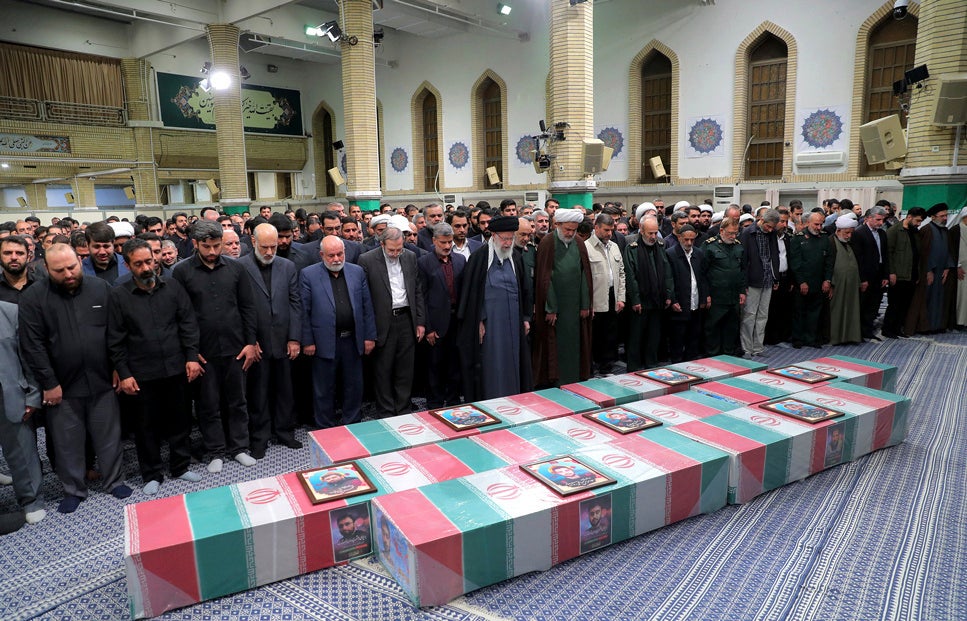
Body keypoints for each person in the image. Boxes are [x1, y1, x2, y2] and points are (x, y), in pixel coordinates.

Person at [19, 244, 132, 513]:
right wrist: (49, 383)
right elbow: (32, 345)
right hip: (61, 386)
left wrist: (118, 367)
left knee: (109, 435)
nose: (68, 273)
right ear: (47, 269)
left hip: (102, 379)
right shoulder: (34, 297)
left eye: (72, 266)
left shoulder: (100, 289)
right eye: (60, 270)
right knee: (67, 441)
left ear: (79, 262)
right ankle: (74, 489)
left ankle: (114, 480)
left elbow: (115, 333)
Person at [108, 239, 204, 496]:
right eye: (138, 264)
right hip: (141, 373)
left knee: (180, 421)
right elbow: (115, 340)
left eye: (149, 261)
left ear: (156, 259)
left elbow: (188, 324)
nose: (146, 267)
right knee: (146, 427)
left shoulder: (173, 286)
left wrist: (192, 357)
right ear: (128, 266)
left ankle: (181, 466)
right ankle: (151, 473)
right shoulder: (118, 296)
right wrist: (124, 373)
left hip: (176, 367)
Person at [172, 221, 260, 472]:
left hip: (236, 349)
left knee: (238, 401)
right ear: (195, 244)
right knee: (208, 405)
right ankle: (215, 451)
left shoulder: (236, 268)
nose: (212, 251)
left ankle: (240, 447)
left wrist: (250, 342)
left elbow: (248, 308)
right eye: (206, 246)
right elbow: (181, 315)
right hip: (203, 352)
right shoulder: (182, 272)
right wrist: (190, 351)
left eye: (216, 245)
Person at [238, 223, 303, 456]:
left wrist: (295, 338)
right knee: (258, 393)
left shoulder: (288, 266)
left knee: (286, 390)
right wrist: (249, 340)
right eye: (264, 247)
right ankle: (259, 438)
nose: (269, 252)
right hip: (257, 343)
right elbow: (239, 308)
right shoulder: (239, 267)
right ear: (253, 242)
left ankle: (285, 432)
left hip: (284, 340)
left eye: (273, 247)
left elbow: (296, 303)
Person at [301, 236, 376, 428]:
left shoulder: (357, 272)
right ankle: (325, 425)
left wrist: (369, 336)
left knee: (354, 385)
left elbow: (367, 306)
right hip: (324, 341)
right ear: (321, 255)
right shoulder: (308, 274)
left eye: (340, 254)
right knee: (324, 388)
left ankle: (353, 421)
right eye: (331, 255)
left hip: (352, 340)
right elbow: (304, 311)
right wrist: (307, 341)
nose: (336, 259)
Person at [457, 216, 532, 401]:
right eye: (504, 239)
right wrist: (479, 321)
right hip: (491, 325)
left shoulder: (515, 257)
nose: (507, 243)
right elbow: (471, 296)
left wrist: (525, 318)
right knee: (493, 365)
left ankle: (515, 399)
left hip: (513, 323)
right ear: (494, 237)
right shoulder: (479, 259)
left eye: (510, 239)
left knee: (514, 362)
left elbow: (525, 290)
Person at [358, 225, 425, 418]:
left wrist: (420, 321)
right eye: (391, 250)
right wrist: (369, 331)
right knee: (383, 370)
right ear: (381, 244)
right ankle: (386, 411)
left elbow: (417, 290)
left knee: (406, 370)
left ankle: (403, 409)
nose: (396, 254)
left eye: (399, 249)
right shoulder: (367, 260)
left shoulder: (410, 257)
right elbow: (364, 298)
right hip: (382, 322)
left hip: (407, 320)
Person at [531, 208, 592, 386]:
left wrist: (585, 305)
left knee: (575, 345)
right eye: (567, 230)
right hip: (556, 309)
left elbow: (585, 275)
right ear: (558, 225)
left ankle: (574, 379)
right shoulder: (548, 243)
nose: (570, 233)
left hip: (574, 308)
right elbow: (545, 278)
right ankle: (555, 381)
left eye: (573, 230)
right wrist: (551, 307)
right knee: (555, 346)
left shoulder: (579, 243)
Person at [0, 300, 46, 526]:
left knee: (21, 451)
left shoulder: (9, 312)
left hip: (9, 394)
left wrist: (33, 394)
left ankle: (31, 501)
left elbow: (28, 357)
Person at [417, 222, 465, 409]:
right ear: (434, 241)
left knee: (455, 365)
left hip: (456, 321)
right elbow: (421, 296)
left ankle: (453, 400)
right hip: (436, 324)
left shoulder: (460, 260)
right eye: (443, 242)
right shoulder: (424, 263)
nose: (446, 246)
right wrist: (428, 327)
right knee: (435, 366)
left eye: (449, 242)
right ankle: (435, 402)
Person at [624, 216, 673, 370]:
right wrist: (636, 300)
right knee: (636, 337)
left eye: (655, 233)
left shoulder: (660, 245)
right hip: (641, 300)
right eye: (650, 233)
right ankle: (634, 367)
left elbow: (667, 273)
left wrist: (668, 294)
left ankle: (651, 364)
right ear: (641, 230)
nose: (653, 237)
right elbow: (631, 276)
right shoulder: (632, 248)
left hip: (657, 299)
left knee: (654, 335)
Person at [586, 213, 626, 374]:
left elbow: (621, 273)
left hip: (613, 296)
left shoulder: (614, 246)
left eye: (611, 230)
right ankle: (593, 366)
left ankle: (607, 365)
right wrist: (588, 304)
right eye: (606, 230)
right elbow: (585, 280)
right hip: (596, 299)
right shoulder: (586, 247)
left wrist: (621, 297)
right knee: (596, 335)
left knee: (610, 334)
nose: (609, 234)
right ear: (596, 228)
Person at [907, 203, 956, 335]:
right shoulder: (926, 230)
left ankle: (938, 325)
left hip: (942, 272)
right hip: (928, 272)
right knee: (926, 299)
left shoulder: (945, 231)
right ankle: (924, 327)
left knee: (940, 299)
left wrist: (947, 267)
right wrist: (928, 270)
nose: (945, 218)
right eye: (942, 216)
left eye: (946, 215)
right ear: (933, 217)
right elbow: (923, 253)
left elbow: (949, 251)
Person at [739, 209, 780, 358]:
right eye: (768, 226)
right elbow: (743, 261)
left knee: (763, 315)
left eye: (772, 228)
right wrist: (743, 284)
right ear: (761, 220)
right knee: (749, 315)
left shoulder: (772, 233)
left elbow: (774, 254)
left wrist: (776, 277)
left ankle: (758, 347)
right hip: (752, 280)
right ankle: (746, 348)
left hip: (768, 278)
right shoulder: (747, 233)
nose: (770, 230)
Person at [702, 217, 746, 356]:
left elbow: (742, 270)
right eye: (730, 233)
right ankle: (712, 354)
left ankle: (729, 353)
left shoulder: (738, 246)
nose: (733, 236)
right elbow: (702, 272)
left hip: (733, 296)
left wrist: (742, 291)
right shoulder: (709, 246)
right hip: (716, 295)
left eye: (735, 233)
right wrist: (706, 294)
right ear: (721, 230)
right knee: (713, 327)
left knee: (731, 327)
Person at [789, 212, 833, 348]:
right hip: (802, 283)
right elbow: (795, 263)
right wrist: (801, 281)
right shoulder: (798, 238)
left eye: (821, 224)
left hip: (819, 283)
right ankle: (798, 339)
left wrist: (827, 280)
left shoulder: (825, 238)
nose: (819, 227)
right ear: (808, 223)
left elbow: (829, 262)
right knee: (799, 312)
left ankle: (811, 338)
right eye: (816, 224)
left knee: (815, 312)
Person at [666, 224, 709, 362]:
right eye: (686, 239)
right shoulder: (671, 254)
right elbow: (669, 280)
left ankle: (691, 364)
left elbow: (703, 278)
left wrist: (704, 298)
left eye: (692, 240)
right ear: (679, 237)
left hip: (695, 304)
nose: (689, 243)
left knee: (694, 337)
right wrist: (673, 300)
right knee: (677, 340)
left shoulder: (699, 253)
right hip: (679, 304)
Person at [850, 205, 891, 340]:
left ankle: (868, 331)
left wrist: (885, 275)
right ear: (869, 218)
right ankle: (859, 332)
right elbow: (858, 258)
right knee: (863, 305)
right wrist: (863, 279)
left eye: (882, 220)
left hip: (879, 275)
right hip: (866, 276)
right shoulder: (859, 233)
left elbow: (885, 255)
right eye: (878, 220)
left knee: (875, 304)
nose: (881, 223)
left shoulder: (882, 233)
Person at [829, 215, 862, 345]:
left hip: (850, 285)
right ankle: (835, 338)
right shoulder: (831, 242)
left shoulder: (848, 244)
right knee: (837, 311)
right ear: (838, 231)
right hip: (837, 285)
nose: (848, 236)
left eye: (850, 233)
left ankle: (849, 336)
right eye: (846, 233)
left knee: (850, 310)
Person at [947, 206, 967, 330]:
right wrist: (957, 266)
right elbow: (951, 250)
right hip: (960, 269)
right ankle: (958, 322)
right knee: (960, 296)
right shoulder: (955, 230)